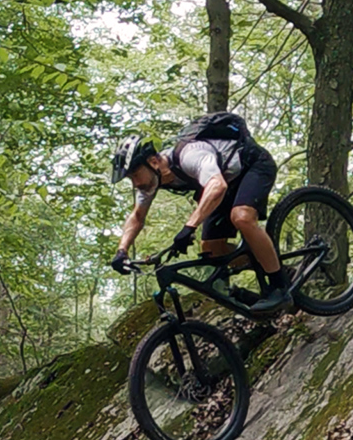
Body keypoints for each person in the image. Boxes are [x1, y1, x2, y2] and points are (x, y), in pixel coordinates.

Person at [109, 127, 292, 314]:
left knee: (242, 217)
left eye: (135, 175)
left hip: (253, 165)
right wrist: (121, 251)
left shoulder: (189, 155)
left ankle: (280, 287)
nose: (135, 183)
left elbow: (217, 185)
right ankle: (274, 266)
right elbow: (138, 216)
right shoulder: (151, 181)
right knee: (212, 251)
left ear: (153, 161)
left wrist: (190, 226)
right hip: (227, 182)